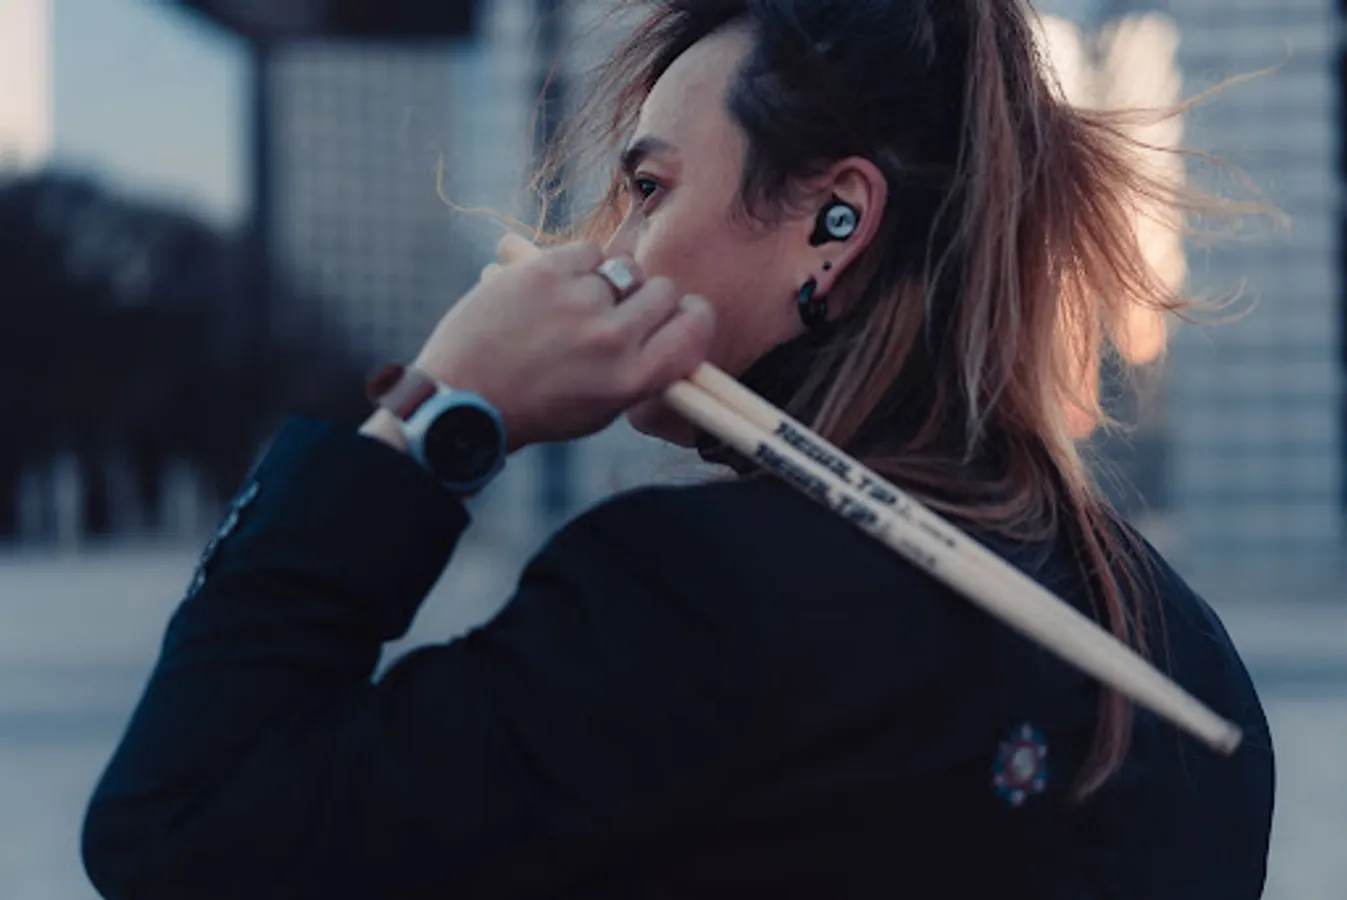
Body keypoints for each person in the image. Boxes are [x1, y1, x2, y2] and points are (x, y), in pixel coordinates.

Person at [81, 2, 1275, 898]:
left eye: (649, 189)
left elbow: (178, 831)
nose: (612, 254)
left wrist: (434, 419)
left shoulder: (690, 599)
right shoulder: (1181, 650)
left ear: (835, 225)